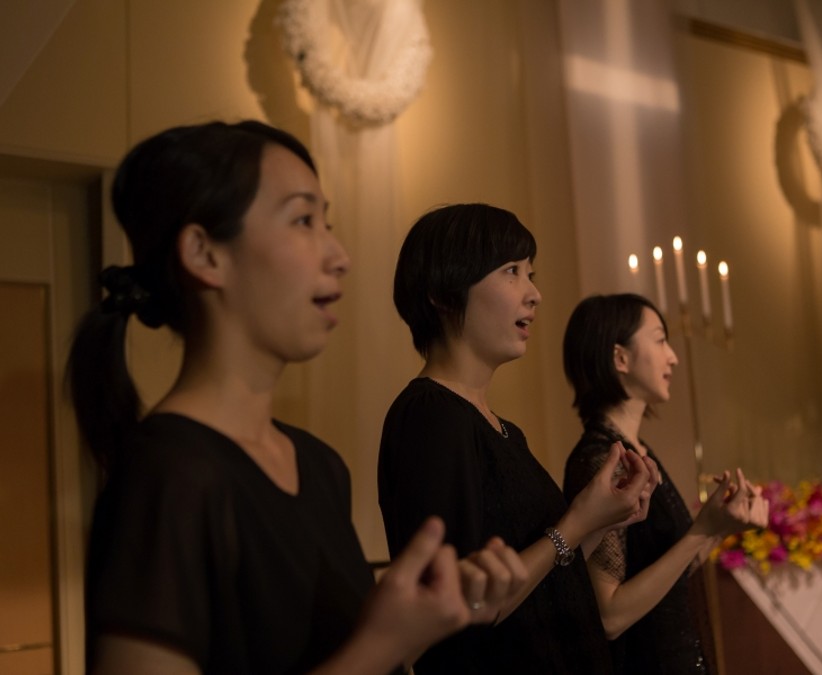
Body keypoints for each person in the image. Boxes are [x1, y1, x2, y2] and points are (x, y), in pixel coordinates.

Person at [66, 121, 528, 675]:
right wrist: (380, 643)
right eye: (304, 220)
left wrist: (425, 617)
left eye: (327, 223)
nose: (339, 256)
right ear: (204, 254)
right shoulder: (169, 475)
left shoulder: (319, 467)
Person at [378, 203, 657, 674]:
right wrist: (573, 525)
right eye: (511, 272)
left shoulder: (503, 430)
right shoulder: (430, 418)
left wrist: (598, 520)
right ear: (444, 294)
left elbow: (541, 579)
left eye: (530, 273)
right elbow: (464, 605)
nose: (534, 294)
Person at [562, 293, 770, 675]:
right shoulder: (602, 460)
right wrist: (701, 532)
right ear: (620, 357)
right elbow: (609, 615)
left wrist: (719, 527)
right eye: (659, 340)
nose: (672, 356)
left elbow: (665, 574)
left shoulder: (638, 450)